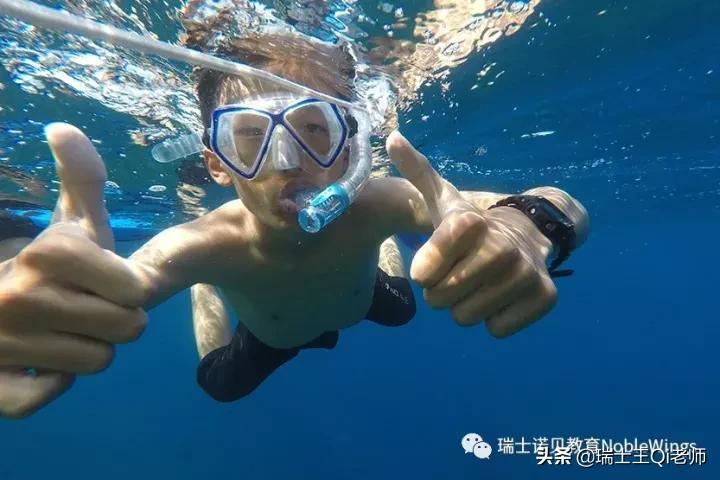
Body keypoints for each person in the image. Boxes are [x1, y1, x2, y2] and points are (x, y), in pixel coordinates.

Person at [0, 31, 589, 417]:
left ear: (350, 149)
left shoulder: (375, 201)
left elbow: (550, 201)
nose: (286, 164)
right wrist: (40, 302)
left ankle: (383, 246)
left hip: (361, 301)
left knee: (405, 309)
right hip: (270, 336)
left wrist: (526, 226)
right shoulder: (201, 244)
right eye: (249, 138)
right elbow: (105, 290)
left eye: (314, 130)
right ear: (217, 164)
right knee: (219, 386)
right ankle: (206, 290)